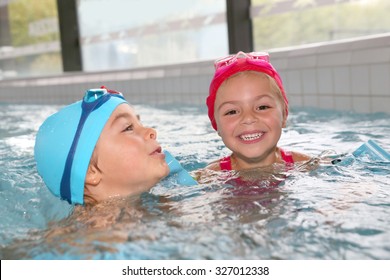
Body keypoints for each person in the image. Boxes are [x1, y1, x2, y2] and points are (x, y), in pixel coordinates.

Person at [34, 86, 170, 207]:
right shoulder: (87, 232)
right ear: (90, 171)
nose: (151, 131)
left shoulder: (161, 199)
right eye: (128, 128)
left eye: (140, 123)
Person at [204, 51, 311, 173]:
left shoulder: (304, 164)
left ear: (284, 114)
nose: (248, 118)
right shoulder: (211, 176)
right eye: (232, 111)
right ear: (216, 125)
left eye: (262, 107)